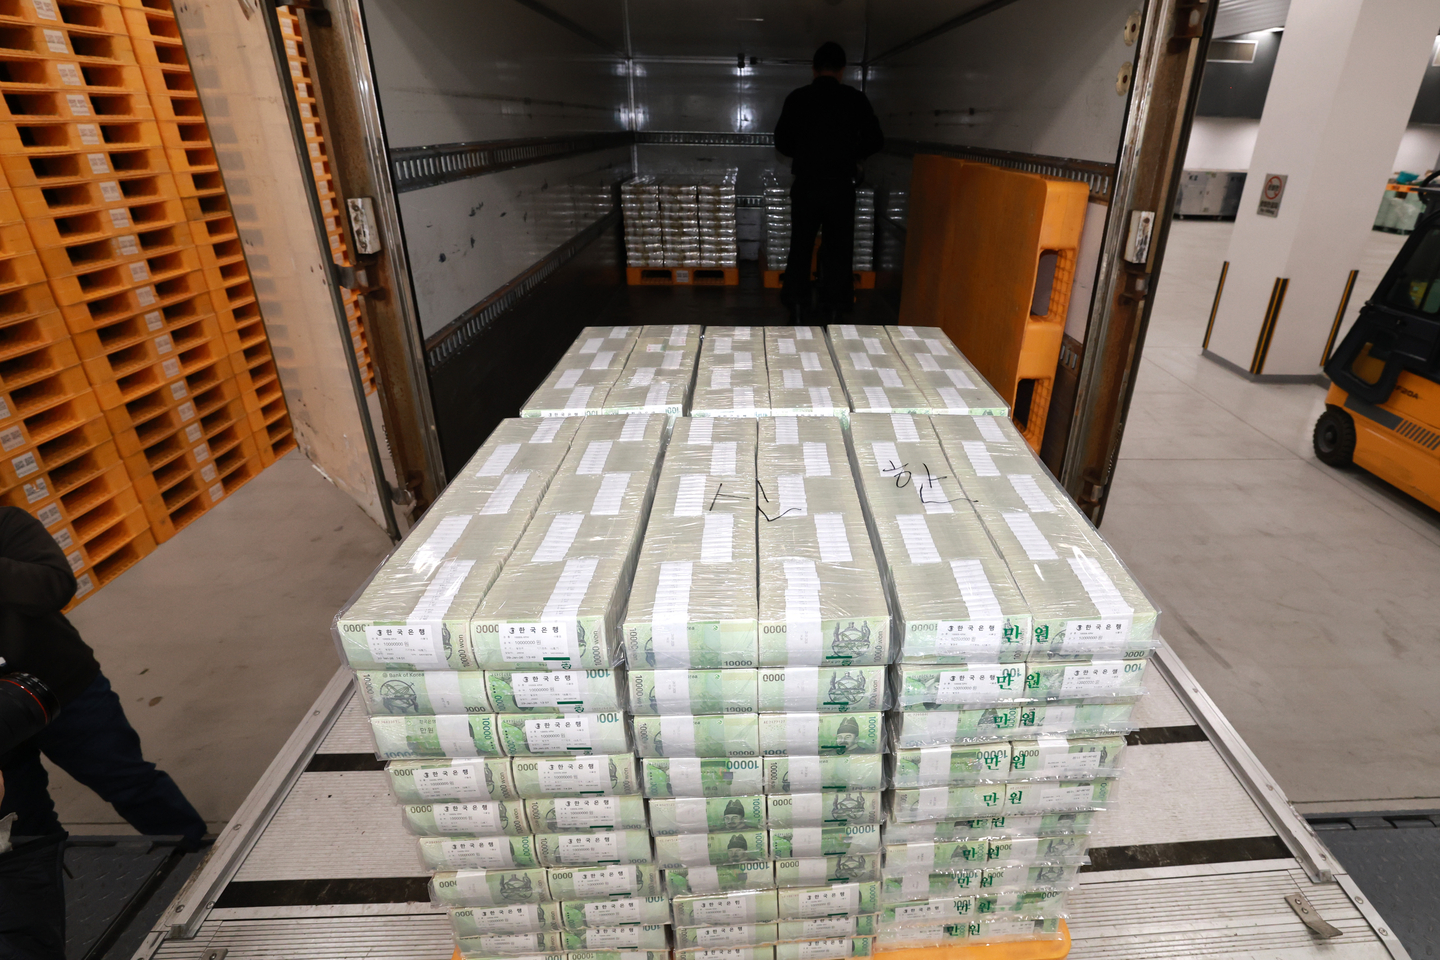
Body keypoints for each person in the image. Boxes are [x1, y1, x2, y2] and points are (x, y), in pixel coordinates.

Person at [0, 506, 207, 849]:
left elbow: (54, 587)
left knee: (130, 783)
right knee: (20, 820)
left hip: (64, 690)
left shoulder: (7, 523)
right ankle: (43, 889)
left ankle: (196, 856)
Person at [774, 41, 884, 320]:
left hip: (807, 183)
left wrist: (805, 152)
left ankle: (797, 304)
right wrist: (851, 154)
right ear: (842, 70)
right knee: (838, 247)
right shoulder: (855, 100)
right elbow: (875, 140)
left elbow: (782, 142)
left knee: (800, 244)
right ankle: (835, 308)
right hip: (839, 184)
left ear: (814, 69)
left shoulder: (797, 98)